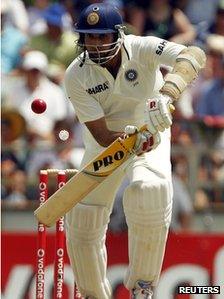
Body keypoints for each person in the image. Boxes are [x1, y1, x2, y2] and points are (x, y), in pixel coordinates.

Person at [64, 3, 206, 299]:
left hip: (151, 126)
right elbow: (102, 135)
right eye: (89, 37)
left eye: (102, 36)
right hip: (107, 142)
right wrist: (129, 140)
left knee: (149, 192)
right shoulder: (76, 75)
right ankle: (93, 294)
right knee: (82, 219)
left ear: (117, 34)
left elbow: (193, 54)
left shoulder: (141, 47)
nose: (95, 44)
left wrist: (167, 96)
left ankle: (143, 287)